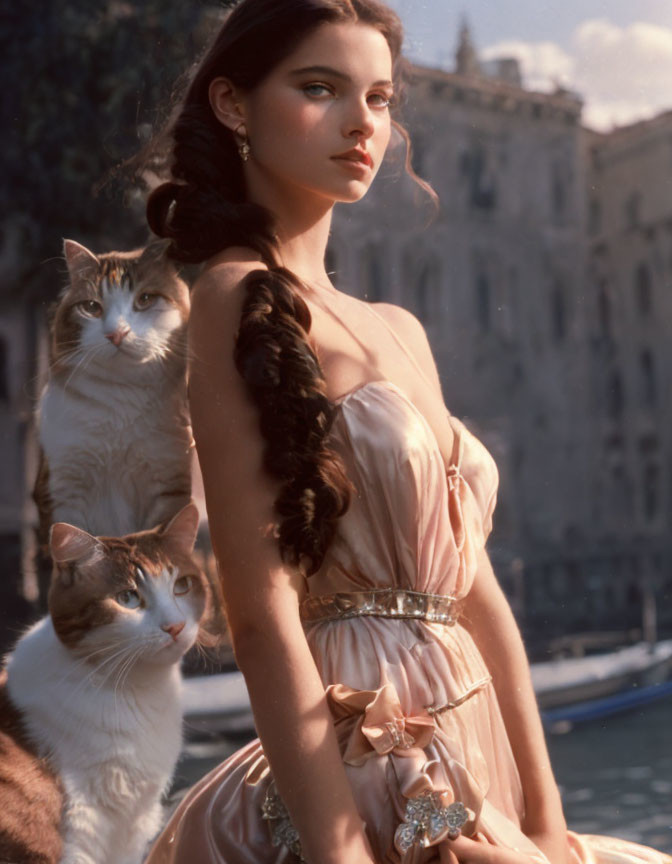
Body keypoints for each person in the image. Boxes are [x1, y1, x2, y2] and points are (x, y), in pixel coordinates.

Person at [137, 1, 672, 862]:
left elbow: (478, 591)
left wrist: (544, 815)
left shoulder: (399, 327)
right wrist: (342, 850)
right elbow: (261, 609)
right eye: (321, 88)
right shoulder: (236, 296)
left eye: (380, 98)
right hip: (363, 756)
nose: (362, 123)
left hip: (474, 744)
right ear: (235, 106)